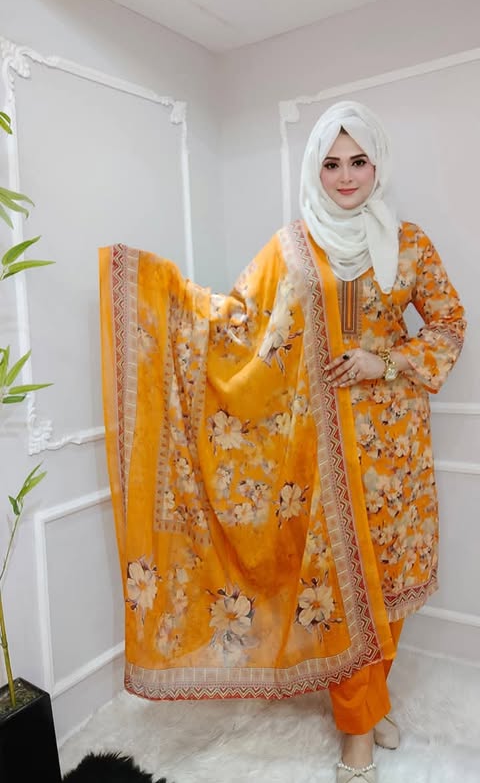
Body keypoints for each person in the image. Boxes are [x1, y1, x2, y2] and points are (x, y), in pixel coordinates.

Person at [99, 101, 466, 783]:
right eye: (332, 163)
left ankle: (372, 700)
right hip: (323, 456)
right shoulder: (291, 247)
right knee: (344, 594)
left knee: (388, 587)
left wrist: (385, 361)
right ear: (314, 170)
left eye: (359, 161)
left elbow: (448, 325)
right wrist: (158, 294)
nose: (346, 176)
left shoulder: (407, 243)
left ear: (378, 165)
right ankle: (357, 732)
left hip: (398, 454)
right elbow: (238, 322)